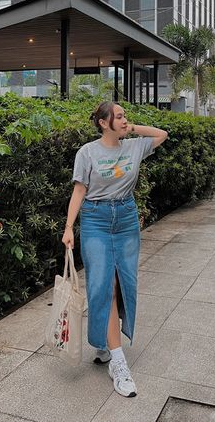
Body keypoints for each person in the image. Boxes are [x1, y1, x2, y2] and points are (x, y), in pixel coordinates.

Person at [61, 101, 168, 398]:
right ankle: (118, 362)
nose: (124, 120)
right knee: (103, 285)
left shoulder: (133, 146)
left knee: (122, 284)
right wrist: (69, 228)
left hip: (125, 219)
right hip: (95, 220)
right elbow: (79, 190)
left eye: (124, 117)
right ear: (103, 122)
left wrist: (130, 128)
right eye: (119, 117)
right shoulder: (88, 152)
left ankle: (107, 344)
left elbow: (162, 134)